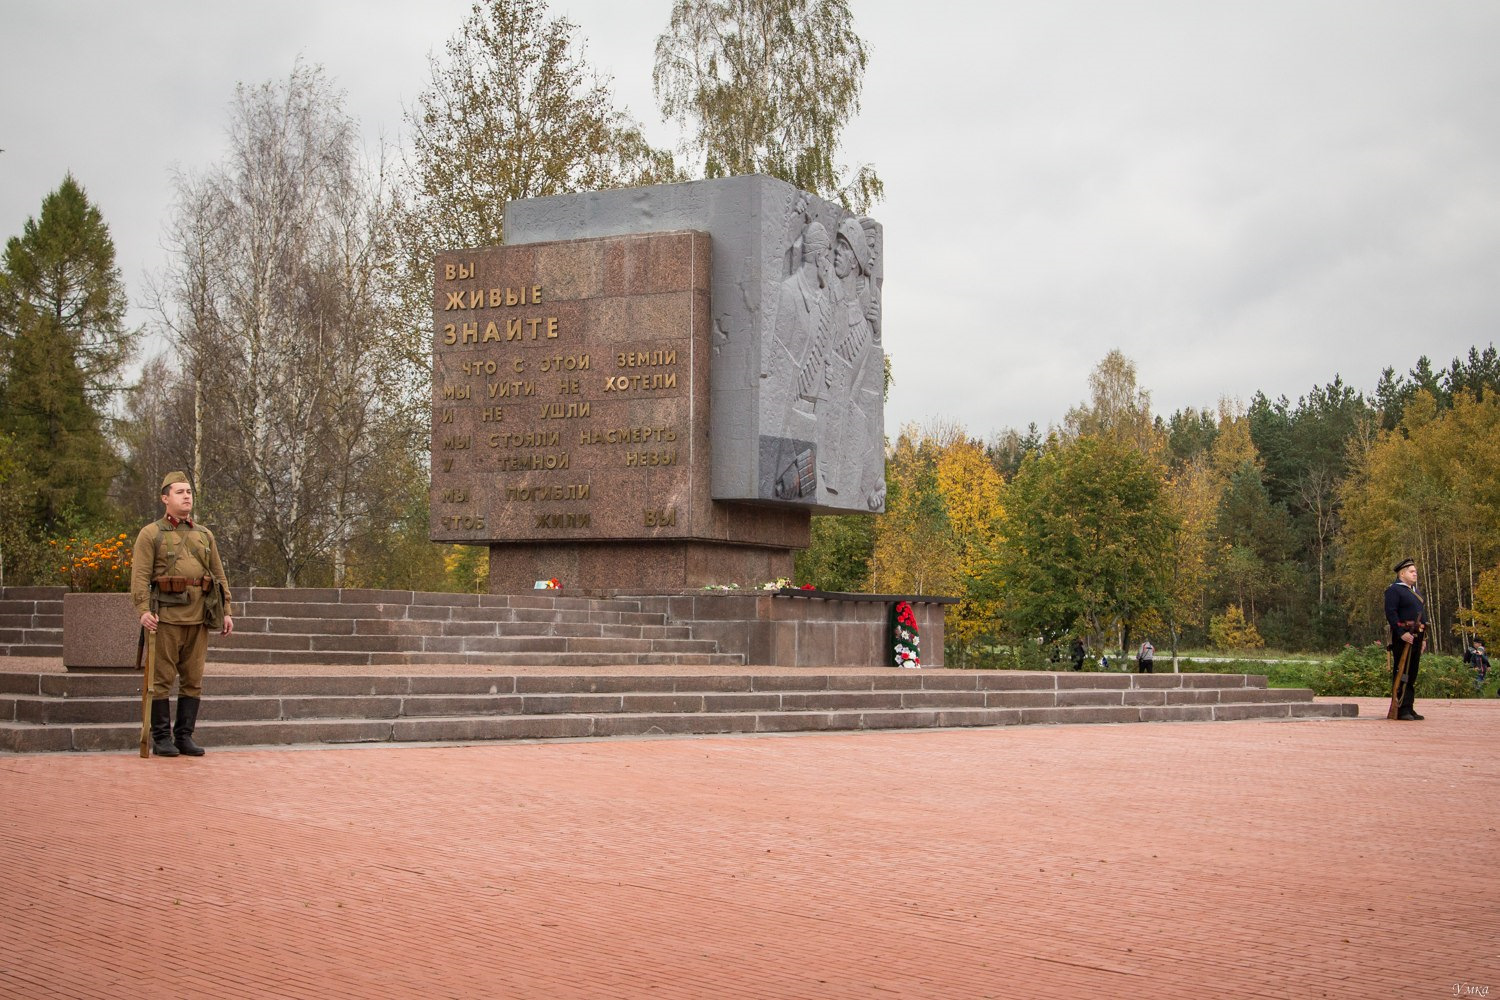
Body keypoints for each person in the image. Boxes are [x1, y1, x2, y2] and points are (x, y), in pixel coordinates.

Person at [131, 471, 233, 756]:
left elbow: (218, 574)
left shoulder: (204, 534)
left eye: (189, 491)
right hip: (166, 618)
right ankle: (161, 737)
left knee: (193, 678)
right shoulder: (151, 534)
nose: (187, 496)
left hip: (199, 616)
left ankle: (184, 736)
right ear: (165, 498)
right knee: (161, 679)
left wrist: (226, 610)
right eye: (180, 492)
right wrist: (142, 610)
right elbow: (139, 576)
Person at [1383, 558, 1427, 721]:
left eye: (1415, 571)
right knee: (1403, 672)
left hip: (1416, 635)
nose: (1415, 573)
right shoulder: (1394, 590)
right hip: (1403, 636)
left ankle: (1408, 706)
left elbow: (1423, 616)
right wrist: (1401, 632)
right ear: (1402, 574)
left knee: (1412, 672)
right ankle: (1400, 708)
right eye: (1411, 571)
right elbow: (1391, 613)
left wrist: (1423, 638)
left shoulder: (1415, 592)